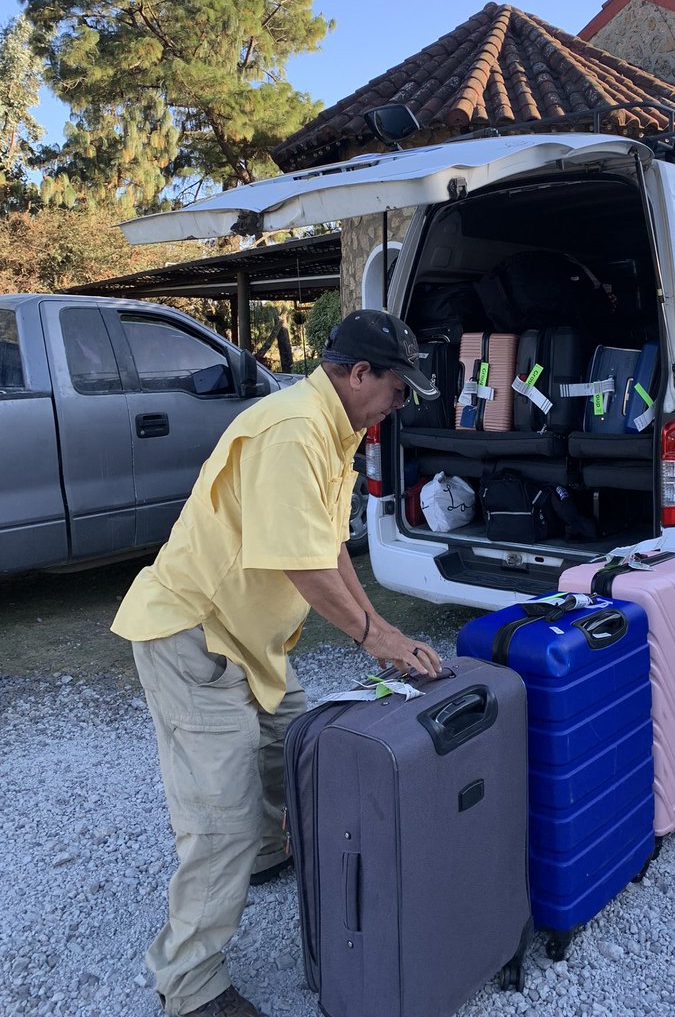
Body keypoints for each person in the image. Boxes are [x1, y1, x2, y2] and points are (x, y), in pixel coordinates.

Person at [112, 310, 443, 1017]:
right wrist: (370, 639)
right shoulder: (294, 430)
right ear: (359, 374)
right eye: (396, 389)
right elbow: (299, 565)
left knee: (301, 754)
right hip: (194, 637)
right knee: (220, 819)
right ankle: (190, 985)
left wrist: (380, 627)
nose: (400, 405)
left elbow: (325, 549)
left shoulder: (336, 431)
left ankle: (267, 854)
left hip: (253, 643)